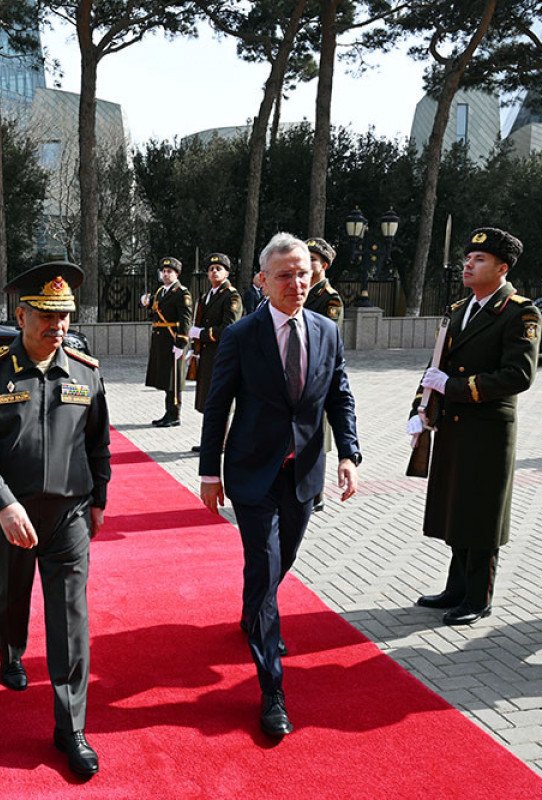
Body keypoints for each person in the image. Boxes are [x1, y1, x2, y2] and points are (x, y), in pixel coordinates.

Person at [199, 232, 361, 739]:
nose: (297, 283)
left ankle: (253, 610)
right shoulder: (242, 335)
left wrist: (349, 454)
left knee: (281, 559)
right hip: (252, 473)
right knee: (266, 567)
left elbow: (340, 395)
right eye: (286, 275)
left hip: (303, 472)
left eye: (303, 274)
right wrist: (209, 473)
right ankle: (272, 690)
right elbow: (217, 406)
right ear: (263, 281)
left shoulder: (327, 330)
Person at [0, 261, 110, 778]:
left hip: (67, 514)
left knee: (70, 618)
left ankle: (71, 729)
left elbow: (98, 443)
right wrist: (2, 502)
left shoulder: (85, 371)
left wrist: (99, 499)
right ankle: (10, 652)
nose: (57, 325)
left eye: (64, 315)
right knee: (9, 596)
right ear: (20, 315)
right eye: (46, 315)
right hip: (10, 515)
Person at [408, 227, 540, 627]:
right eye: (468, 258)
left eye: (479, 259)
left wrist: (454, 388)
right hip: (453, 426)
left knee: (481, 514)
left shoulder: (519, 313)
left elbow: (519, 375)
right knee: (457, 509)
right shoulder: (459, 309)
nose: (468, 264)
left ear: (502, 268)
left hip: (487, 430)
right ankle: (457, 587)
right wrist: (420, 407)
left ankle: (478, 597)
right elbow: (436, 365)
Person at [303, 237, 344, 512]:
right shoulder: (300, 291)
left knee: (318, 435)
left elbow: (328, 339)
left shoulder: (330, 298)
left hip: (318, 374)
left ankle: (316, 493)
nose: (308, 264)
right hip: (297, 371)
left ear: (324, 265)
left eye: (313, 260)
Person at [189, 252, 243, 452]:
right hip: (207, 355)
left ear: (227, 273)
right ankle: (210, 440)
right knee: (208, 400)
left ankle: (220, 442)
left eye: (219, 269)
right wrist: (195, 349)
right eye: (211, 269)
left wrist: (202, 334)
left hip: (222, 354)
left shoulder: (231, 296)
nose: (214, 272)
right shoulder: (207, 296)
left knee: (220, 400)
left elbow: (229, 327)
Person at [141, 256, 192, 427]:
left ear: (177, 274)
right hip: (160, 341)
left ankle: (174, 415)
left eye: (169, 271)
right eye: (164, 271)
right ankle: (168, 413)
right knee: (165, 378)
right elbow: (155, 314)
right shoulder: (160, 292)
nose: (166, 274)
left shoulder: (182, 293)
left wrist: (181, 343)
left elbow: (185, 320)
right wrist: (146, 304)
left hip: (173, 339)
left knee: (173, 380)